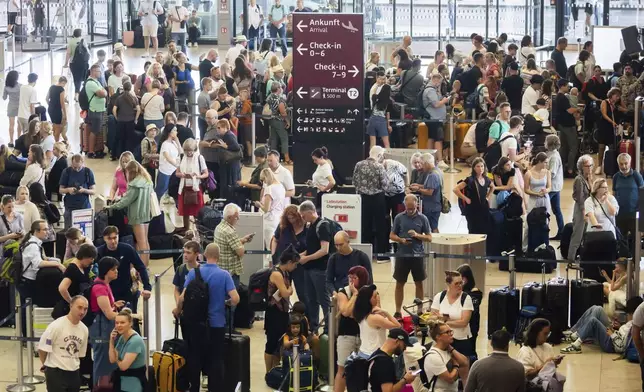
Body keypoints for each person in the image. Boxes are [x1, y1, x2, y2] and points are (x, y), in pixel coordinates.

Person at [176, 243, 240, 391]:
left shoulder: (193, 272)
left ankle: (194, 387)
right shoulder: (224, 275)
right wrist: (226, 302)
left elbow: (181, 298)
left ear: (204, 255)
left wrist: (178, 311)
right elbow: (235, 299)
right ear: (219, 257)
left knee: (195, 356)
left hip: (196, 324)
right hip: (216, 324)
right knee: (216, 359)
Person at [105, 162, 155, 268]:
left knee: (140, 243)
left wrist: (111, 207)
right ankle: (146, 264)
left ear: (130, 172)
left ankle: (142, 267)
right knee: (145, 241)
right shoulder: (147, 180)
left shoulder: (134, 184)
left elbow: (126, 201)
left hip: (137, 216)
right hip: (147, 214)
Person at [389, 194, 431, 316]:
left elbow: (429, 237)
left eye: (412, 208)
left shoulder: (423, 218)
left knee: (419, 283)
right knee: (399, 283)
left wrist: (417, 235)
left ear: (417, 204)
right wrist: (401, 240)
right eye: (408, 208)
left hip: (417, 256)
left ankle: (419, 311)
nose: (410, 210)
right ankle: (397, 311)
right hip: (402, 255)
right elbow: (391, 235)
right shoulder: (399, 218)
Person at [38, 295, 89, 392]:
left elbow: (80, 354)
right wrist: (46, 365)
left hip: (74, 372)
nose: (82, 312)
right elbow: (42, 348)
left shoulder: (84, 329)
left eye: (85, 309)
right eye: (79, 307)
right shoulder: (57, 325)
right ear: (71, 306)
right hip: (56, 371)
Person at [96, 226, 152, 313]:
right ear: (104, 239)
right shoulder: (99, 252)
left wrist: (147, 287)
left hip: (126, 291)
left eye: (115, 238)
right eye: (109, 238)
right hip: (107, 292)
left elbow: (141, 267)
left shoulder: (127, 249)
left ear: (118, 236)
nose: (113, 241)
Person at [560, 296, 642, 354]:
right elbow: (623, 336)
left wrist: (612, 334)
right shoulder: (632, 323)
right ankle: (573, 332)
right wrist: (619, 327)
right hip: (613, 335)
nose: (627, 315)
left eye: (629, 313)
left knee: (593, 321)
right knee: (597, 308)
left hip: (610, 344)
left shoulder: (635, 327)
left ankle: (576, 344)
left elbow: (621, 347)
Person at [333, 266, 370, 392]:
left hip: (365, 336)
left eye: (355, 278)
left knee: (362, 370)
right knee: (342, 369)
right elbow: (346, 311)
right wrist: (355, 294)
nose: (351, 281)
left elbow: (374, 312)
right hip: (346, 335)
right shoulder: (343, 292)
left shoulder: (370, 291)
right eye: (350, 277)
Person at [213, 203, 253, 319]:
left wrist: (242, 240)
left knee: (223, 299)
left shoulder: (219, 227)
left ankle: (223, 327)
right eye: (236, 217)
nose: (238, 219)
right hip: (231, 272)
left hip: (222, 268)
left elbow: (228, 245)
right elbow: (240, 252)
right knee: (232, 301)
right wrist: (242, 245)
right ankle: (229, 329)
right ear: (230, 217)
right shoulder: (230, 231)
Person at [298, 201, 332, 333]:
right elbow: (311, 248)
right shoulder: (310, 226)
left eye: (303, 215)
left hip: (320, 269)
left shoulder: (322, 226)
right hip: (309, 269)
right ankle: (314, 327)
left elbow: (324, 250)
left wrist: (307, 258)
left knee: (323, 300)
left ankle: (328, 328)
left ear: (310, 212)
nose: (302, 218)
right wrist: (301, 256)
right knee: (311, 300)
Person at [264, 245, 299, 372]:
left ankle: (275, 369)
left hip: (282, 312)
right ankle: (269, 371)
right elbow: (285, 292)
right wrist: (289, 290)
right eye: (295, 264)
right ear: (289, 262)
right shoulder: (276, 274)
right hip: (274, 312)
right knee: (271, 342)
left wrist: (288, 290)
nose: (295, 267)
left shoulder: (285, 273)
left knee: (280, 342)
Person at [89, 256, 121, 385]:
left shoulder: (106, 284)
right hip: (101, 328)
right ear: (106, 271)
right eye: (113, 269)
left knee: (109, 360)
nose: (116, 272)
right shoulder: (99, 288)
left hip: (106, 327)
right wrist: (129, 317)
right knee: (102, 360)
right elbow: (108, 314)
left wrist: (114, 305)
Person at [353, 146, 388, 258]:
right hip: (378, 199)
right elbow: (385, 185)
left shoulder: (359, 164)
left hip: (363, 199)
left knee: (364, 226)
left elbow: (355, 182)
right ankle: (381, 254)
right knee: (380, 227)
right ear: (379, 155)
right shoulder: (379, 167)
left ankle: (365, 254)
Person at [431, 271, 475, 359]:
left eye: (461, 283)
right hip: (443, 340)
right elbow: (433, 319)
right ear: (448, 284)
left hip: (462, 340)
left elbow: (464, 323)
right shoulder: (439, 297)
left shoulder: (466, 298)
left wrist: (444, 320)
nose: (460, 286)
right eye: (456, 283)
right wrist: (443, 320)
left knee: (462, 365)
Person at [421, 320, 471, 391]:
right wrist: (456, 366)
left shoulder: (448, 349)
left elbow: (465, 362)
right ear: (438, 336)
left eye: (451, 331)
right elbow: (450, 379)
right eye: (447, 332)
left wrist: (452, 349)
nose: (451, 334)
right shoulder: (433, 356)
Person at [353, 284, 401, 358]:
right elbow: (398, 327)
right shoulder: (374, 318)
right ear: (368, 300)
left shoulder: (361, 313)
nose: (377, 298)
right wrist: (387, 313)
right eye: (375, 296)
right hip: (374, 355)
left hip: (363, 352)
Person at [108, 308, 147, 392]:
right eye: (117, 323)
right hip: (122, 382)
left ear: (130, 323)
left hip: (133, 385)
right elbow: (112, 359)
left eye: (122, 322)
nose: (119, 325)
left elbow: (123, 367)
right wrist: (111, 341)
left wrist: (117, 357)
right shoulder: (123, 337)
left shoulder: (135, 341)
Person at [176, 138, 208, 232]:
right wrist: (182, 175)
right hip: (184, 187)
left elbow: (206, 173)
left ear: (194, 149)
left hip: (196, 188)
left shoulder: (199, 158)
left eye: (190, 151)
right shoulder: (181, 157)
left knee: (197, 211)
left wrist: (198, 177)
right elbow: (177, 173)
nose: (189, 153)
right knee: (185, 211)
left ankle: (199, 229)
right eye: (186, 151)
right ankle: (186, 229)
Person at [454, 157, 493, 234]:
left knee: (484, 229)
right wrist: (465, 198)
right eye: (478, 166)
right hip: (472, 209)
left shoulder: (486, 179)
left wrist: (488, 197)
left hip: (483, 208)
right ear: (474, 168)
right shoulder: (470, 180)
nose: (480, 168)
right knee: (473, 229)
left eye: (482, 166)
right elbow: (456, 189)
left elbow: (492, 187)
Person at [613, 153, 644, 244]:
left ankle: (634, 257)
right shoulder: (616, 177)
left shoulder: (636, 176)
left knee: (635, 240)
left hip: (634, 214)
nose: (624, 166)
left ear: (630, 163)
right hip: (620, 214)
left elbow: (642, 194)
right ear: (618, 164)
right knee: (621, 239)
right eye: (621, 164)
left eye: (626, 163)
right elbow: (614, 194)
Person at [59, 154, 96, 230]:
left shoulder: (88, 172)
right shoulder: (66, 172)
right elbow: (60, 190)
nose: (77, 169)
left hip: (84, 207)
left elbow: (93, 191)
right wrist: (68, 190)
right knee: (69, 232)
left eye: (79, 167)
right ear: (71, 163)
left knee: (84, 231)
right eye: (74, 167)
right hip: (70, 207)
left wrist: (84, 190)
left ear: (83, 163)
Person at [568, 155, 594, 260]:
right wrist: (584, 213)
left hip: (587, 209)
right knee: (577, 236)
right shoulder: (579, 180)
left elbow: (592, 193)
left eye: (590, 165)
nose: (589, 168)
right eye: (587, 166)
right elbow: (580, 198)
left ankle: (580, 256)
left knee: (584, 235)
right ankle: (571, 258)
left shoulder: (588, 178)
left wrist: (591, 179)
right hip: (581, 210)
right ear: (581, 167)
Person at [553, 78, 580, 176]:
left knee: (563, 147)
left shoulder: (557, 97)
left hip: (561, 124)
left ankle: (562, 167)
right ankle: (570, 169)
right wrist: (578, 109)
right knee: (573, 147)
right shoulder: (563, 98)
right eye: (567, 85)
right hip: (568, 125)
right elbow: (569, 110)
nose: (568, 87)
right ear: (562, 86)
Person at [256, 168, 286, 250]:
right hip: (278, 218)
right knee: (276, 245)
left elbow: (266, 209)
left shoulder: (269, 189)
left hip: (269, 220)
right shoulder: (281, 187)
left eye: (263, 180)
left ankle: (270, 262)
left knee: (269, 246)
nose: (263, 182)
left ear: (266, 177)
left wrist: (258, 205)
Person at [212, 119, 242, 200]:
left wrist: (227, 147)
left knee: (229, 183)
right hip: (230, 164)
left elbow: (236, 147)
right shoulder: (227, 135)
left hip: (230, 165)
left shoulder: (228, 135)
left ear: (225, 127)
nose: (217, 130)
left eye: (219, 128)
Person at [414, 153, 443, 233]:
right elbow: (430, 185)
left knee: (433, 228)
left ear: (427, 163)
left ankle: (435, 243)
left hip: (432, 207)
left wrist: (418, 189)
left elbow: (430, 192)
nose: (422, 166)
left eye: (422, 164)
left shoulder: (432, 175)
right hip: (434, 205)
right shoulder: (437, 171)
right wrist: (419, 185)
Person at [596, 88, 622, 175]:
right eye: (616, 96)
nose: (617, 98)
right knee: (601, 147)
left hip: (612, 129)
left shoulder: (616, 105)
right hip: (604, 127)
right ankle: (599, 166)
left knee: (612, 147)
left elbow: (625, 109)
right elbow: (604, 114)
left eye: (619, 97)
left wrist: (620, 102)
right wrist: (612, 122)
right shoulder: (605, 102)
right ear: (611, 94)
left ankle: (611, 167)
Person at [84, 65, 108, 159]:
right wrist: (103, 92)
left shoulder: (96, 81)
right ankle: (91, 151)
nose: (100, 73)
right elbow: (102, 93)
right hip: (95, 110)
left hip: (100, 109)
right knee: (94, 131)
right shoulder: (90, 83)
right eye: (98, 71)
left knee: (98, 130)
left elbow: (103, 91)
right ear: (93, 71)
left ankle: (97, 149)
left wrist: (103, 92)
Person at [156, 123, 182, 199]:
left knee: (173, 190)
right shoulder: (165, 144)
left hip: (173, 171)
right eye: (175, 130)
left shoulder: (174, 143)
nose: (176, 132)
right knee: (161, 190)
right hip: (165, 171)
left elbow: (181, 152)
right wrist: (177, 166)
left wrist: (177, 141)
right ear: (170, 132)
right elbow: (168, 158)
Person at [266, 82, 291, 163]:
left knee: (273, 139)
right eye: (280, 87)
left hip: (270, 120)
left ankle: (272, 158)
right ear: (278, 89)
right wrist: (287, 121)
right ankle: (287, 159)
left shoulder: (269, 97)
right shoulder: (279, 99)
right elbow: (283, 112)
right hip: (278, 120)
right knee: (284, 138)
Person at [546, 134, 564, 240]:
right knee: (557, 209)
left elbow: (552, 173)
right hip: (556, 186)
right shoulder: (552, 154)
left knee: (547, 209)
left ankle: (546, 230)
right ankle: (561, 230)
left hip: (552, 187)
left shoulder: (554, 157)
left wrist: (541, 174)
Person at [64, 29, 89, 101]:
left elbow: (68, 53)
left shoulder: (71, 42)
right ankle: (83, 93)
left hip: (73, 63)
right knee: (84, 78)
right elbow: (87, 52)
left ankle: (76, 95)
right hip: (83, 63)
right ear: (80, 34)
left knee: (76, 79)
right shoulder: (83, 41)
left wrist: (66, 63)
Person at [47, 76, 67, 143]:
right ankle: (56, 144)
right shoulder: (61, 89)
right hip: (57, 110)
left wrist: (51, 105)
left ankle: (53, 142)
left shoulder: (51, 87)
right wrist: (65, 114)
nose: (64, 86)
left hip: (50, 109)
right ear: (63, 82)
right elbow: (62, 103)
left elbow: (46, 98)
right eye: (64, 84)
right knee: (58, 128)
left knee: (54, 126)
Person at [4, 70, 21, 144]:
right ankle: (18, 140)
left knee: (11, 125)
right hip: (20, 107)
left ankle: (11, 141)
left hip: (11, 106)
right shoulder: (21, 86)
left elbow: (4, 98)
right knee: (19, 124)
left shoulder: (6, 87)